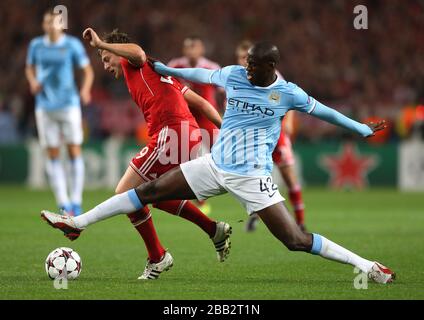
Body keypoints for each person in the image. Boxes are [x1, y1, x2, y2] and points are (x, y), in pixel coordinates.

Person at [41, 42, 395, 283]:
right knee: (147, 191)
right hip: (213, 165)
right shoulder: (234, 75)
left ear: (271, 67)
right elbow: (199, 75)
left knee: (295, 240)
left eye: (253, 66)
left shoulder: (289, 93)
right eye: (246, 64)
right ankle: (77, 221)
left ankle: (366, 266)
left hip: (252, 177)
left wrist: (360, 128)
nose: (246, 69)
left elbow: (326, 112)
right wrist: (162, 68)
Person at [42, 28, 231, 280]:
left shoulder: (136, 64)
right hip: (186, 134)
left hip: (171, 132)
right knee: (154, 195)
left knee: (125, 193)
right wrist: (224, 128)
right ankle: (212, 229)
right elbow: (202, 103)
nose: (106, 65)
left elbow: (138, 53)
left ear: (116, 51)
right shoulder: (160, 74)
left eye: (105, 58)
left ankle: (155, 255)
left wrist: (101, 43)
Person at [25, 9, 94, 216]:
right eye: (47, 22)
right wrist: (33, 81)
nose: (51, 26)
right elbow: (30, 67)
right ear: (44, 25)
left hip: (69, 104)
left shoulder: (71, 44)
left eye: (55, 22)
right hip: (44, 106)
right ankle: (63, 202)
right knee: (53, 153)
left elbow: (87, 70)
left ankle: (76, 200)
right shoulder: (36, 45)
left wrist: (85, 89)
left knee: (74, 150)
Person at [236, 40, 306, 231]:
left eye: (247, 57)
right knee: (252, 178)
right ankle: (255, 214)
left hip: (276, 135)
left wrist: (288, 120)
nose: (244, 61)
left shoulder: (272, 77)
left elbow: (286, 97)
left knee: (289, 177)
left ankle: (300, 221)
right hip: (253, 138)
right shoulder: (238, 78)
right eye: (241, 57)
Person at [167, 36, 222, 215]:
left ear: (201, 49)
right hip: (186, 117)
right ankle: (200, 200)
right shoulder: (175, 66)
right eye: (187, 47)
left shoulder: (212, 68)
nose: (191, 50)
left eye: (194, 47)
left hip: (207, 116)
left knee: (223, 153)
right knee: (188, 157)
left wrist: (226, 111)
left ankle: (240, 188)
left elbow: (226, 91)